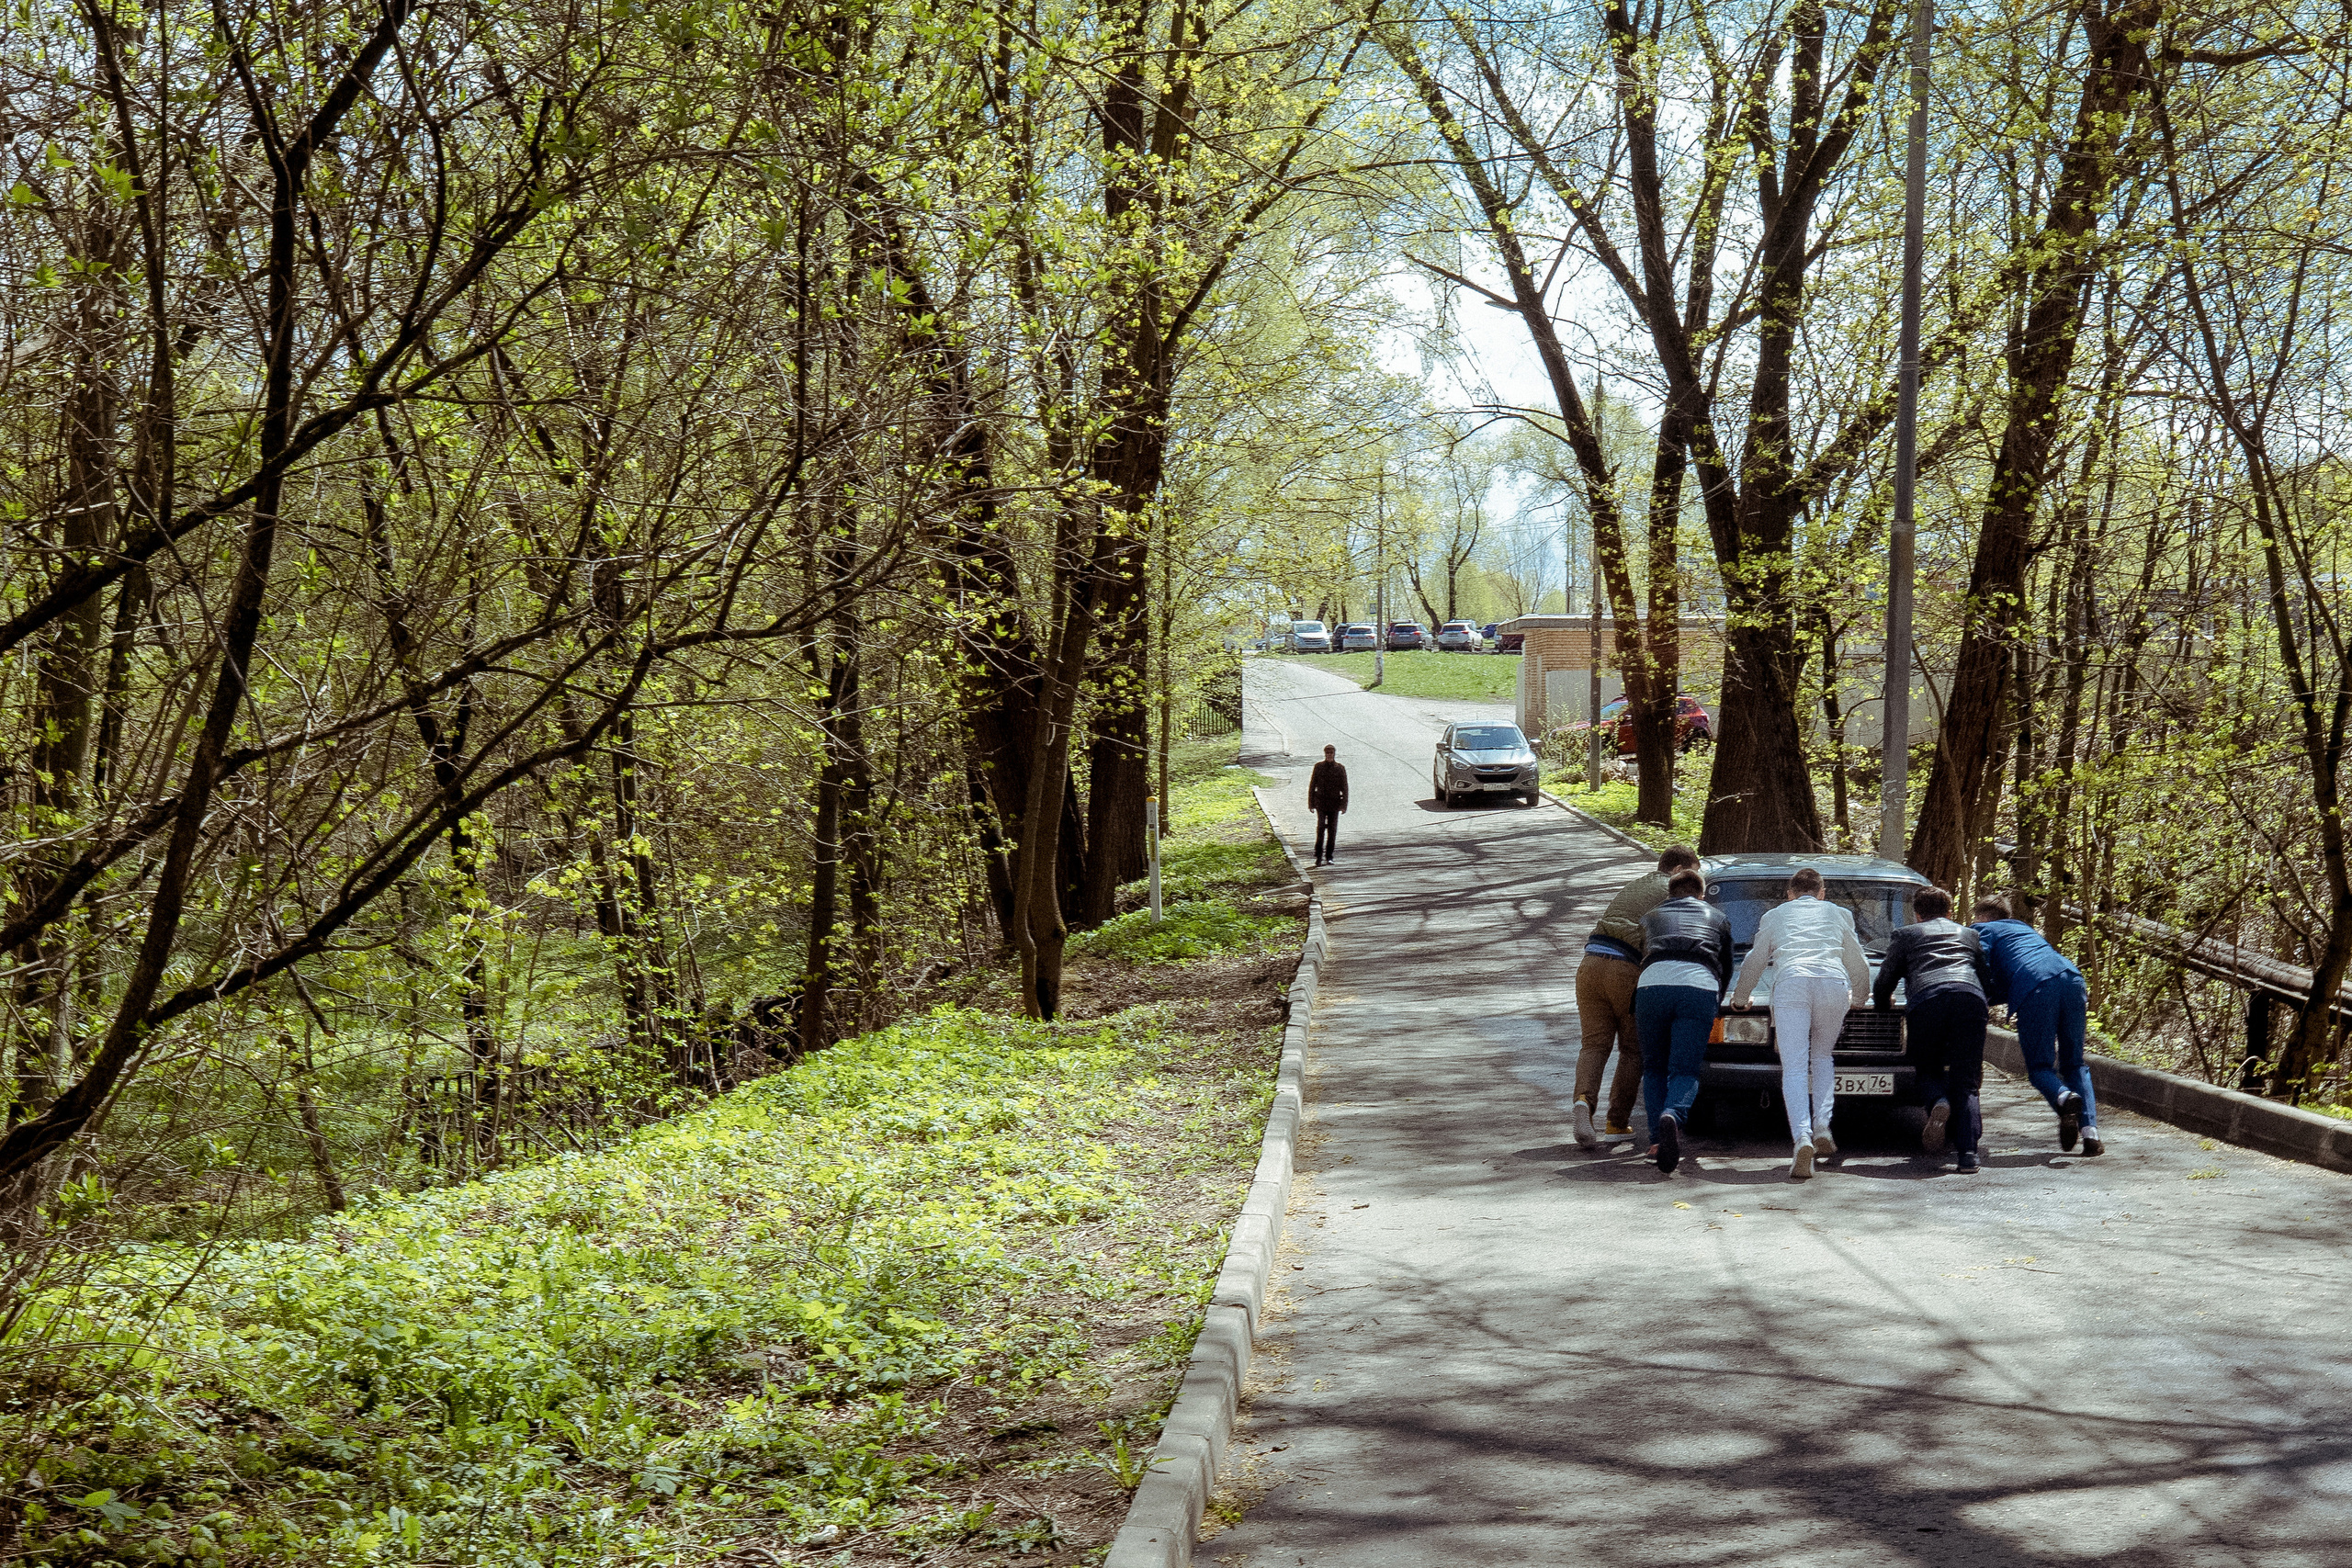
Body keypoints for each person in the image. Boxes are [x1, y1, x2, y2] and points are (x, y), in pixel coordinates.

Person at [1729, 867, 1870, 1180]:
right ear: (1822, 892)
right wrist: (1859, 996)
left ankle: (1802, 1139)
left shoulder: (1776, 916)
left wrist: (1741, 997)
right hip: (1833, 981)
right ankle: (1823, 1124)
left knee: (1793, 1066)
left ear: (1789, 893)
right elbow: (1856, 959)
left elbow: (1755, 959)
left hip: (1792, 981)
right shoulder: (1839, 914)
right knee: (1822, 1057)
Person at [1573, 845, 1702, 1146]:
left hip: (1590, 965)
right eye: (1692, 873)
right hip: (1625, 969)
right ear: (1677, 871)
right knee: (1633, 1049)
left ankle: (1582, 1102)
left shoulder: (1637, 884)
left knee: (1593, 1045)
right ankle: (1616, 1122)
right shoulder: (1672, 893)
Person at [1875, 886, 1993, 1174]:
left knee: (1927, 1069)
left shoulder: (1906, 935)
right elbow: (1986, 980)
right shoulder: (1969, 935)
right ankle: (1967, 1156)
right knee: (1966, 1080)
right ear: (1950, 912)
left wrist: (1883, 1006)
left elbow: (1885, 980)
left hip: (1928, 1000)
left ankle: (1938, 1100)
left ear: (1917, 914)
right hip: (1969, 999)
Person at [1973, 897, 2102, 1156]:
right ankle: (2091, 1135)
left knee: (2040, 1067)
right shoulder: (2024, 930)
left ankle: (2064, 1098)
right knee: (2074, 1063)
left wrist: (1976, 998)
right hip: (2073, 978)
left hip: (2037, 987)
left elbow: (1980, 966)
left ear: (1984, 917)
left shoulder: (1984, 929)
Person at [1635, 868, 1735, 1174]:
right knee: (1685, 1068)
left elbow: (1643, 953)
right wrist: (1715, 1003)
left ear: (1670, 894)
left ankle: (1655, 1141)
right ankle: (1673, 1116)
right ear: (1701, 894)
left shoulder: (1650, 917)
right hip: (1698, 986)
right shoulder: (1717, 918)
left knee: (1653, 1067)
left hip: (1651, 986)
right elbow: (1727, 966)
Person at [1307, 745, 1348, 865]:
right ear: (1325, 754)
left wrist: (1344, 805)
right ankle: (1318, 855)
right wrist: (1311, 803)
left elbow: (1345, 788)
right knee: (1320, 829)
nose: (1329, 755)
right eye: (1327, 753)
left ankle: (1329, 856)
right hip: (1321, 803)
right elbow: (1312, 785)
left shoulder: (1340, 768)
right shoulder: (1318, 767)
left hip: (1334, 804)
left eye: (1331, 753)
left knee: (1332, 830)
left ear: (1334, 754)